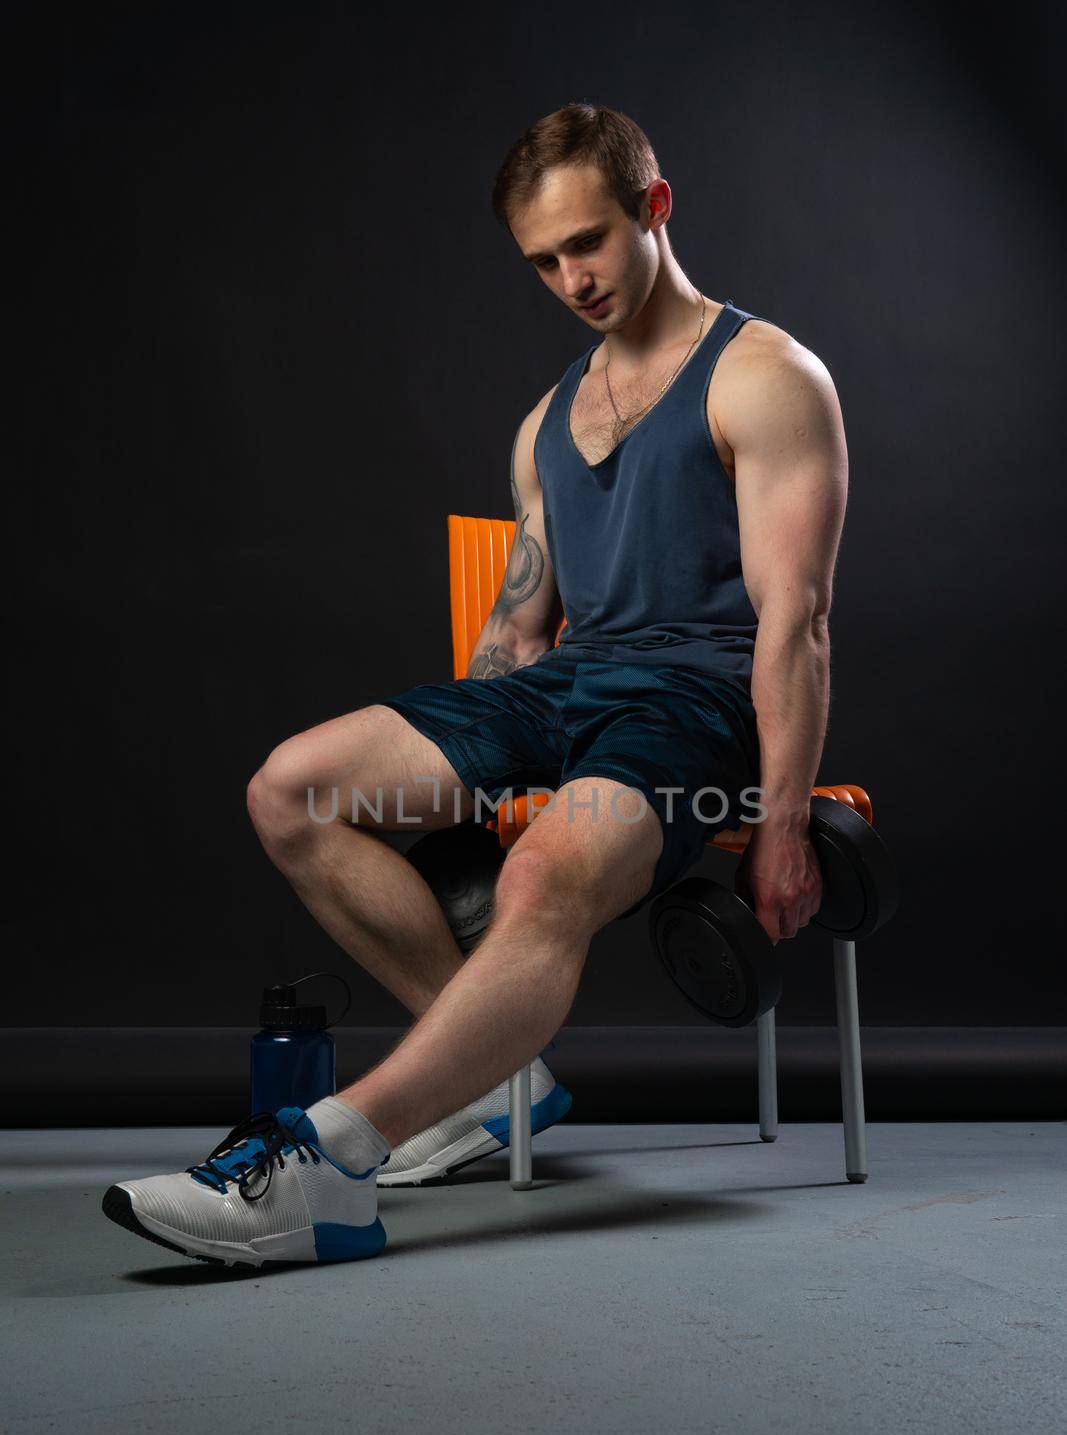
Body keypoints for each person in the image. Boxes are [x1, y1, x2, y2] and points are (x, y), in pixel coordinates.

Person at [102, 102, 847, 1268]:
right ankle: (498, 1079)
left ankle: (327, 1162)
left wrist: (784, 822)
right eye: (542, 261)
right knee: (290, 789)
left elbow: (794, 621)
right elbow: (518, 624)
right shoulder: (544, 422)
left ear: (654, 208)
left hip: (695, 707)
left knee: (546, 869)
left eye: (588, 243)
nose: (570, 278)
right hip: (567, 693)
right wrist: (469, 759)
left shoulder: (762, 377)